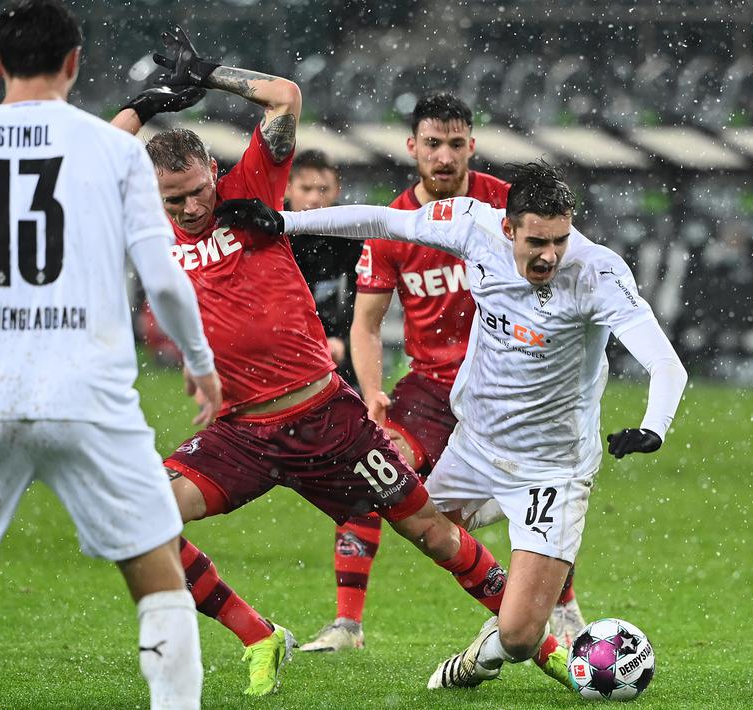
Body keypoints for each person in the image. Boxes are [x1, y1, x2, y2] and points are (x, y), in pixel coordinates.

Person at [112, 27, 548, 694]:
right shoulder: (142, 220)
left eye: (200, 189)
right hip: (241, 433)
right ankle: (260, 635)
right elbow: (94, 156)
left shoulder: (247, 186)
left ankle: (546, 646)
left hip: (326, 416)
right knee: (138, 520)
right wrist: (146, 102)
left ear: (212, 172)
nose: (195, 207)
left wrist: (207, 74)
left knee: (430, 532)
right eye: (176, 201)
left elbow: (284, 99)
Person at [0, 3, 220, 709]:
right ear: (74, 63)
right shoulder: (114, 153)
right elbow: (164, 276)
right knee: (155, 577)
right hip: (89, 394)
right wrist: (200, 361)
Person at [213, 160, 688, 691]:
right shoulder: (471, 225)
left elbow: (666, 362)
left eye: (559, 239)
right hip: (474, 446)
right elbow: (384, 222)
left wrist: (654, 426)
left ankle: (478, 658)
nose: (550, 255)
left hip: (550, 469)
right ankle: (357, 621)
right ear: (508, 227)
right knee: (404, 516)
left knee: (520, 638)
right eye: (537, 241)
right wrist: (284, 222)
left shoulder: (598, 272)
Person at [302, 93, 586, 654]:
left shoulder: (509, 209)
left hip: (508, 383)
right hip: (431, 388)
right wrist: (373, 392)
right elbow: (366, 324)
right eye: (433, 143)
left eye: (456, 143)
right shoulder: (397, 225)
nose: (444, 155)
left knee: (538, 485)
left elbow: (564, 280)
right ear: (413, 148)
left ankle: (562, 607)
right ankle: (347, 627)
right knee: (372, 471)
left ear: (472, 146)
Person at [283, 149, 361, 385]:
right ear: (288, 188)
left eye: (323, 189)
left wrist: (343, 341)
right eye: (306, 189)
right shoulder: (272, 232)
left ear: (338, 190)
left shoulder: (351, 236)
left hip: (336, 351)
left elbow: (362, 299)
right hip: (284, 348)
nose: (315, 199)